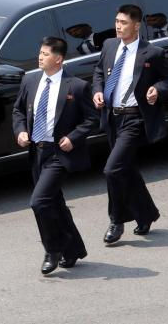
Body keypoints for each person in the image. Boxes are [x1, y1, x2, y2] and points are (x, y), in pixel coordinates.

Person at [12, 37, 97, 275]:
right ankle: (74, 249)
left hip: (59, 154)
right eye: (40, 52)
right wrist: (20, 132)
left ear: (58, 59)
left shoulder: (76, 86)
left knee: (39, 202)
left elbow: (91, 119)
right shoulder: (30, 80)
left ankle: (52, 250)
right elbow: (18, 110)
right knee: (54, 202)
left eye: (46, 54)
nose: (40, 57)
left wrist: (73, 137)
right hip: (37, 151)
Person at [93, 5, 168, 244]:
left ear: (136, 26)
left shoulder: (152, 53)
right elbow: (99, 72)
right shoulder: (109, 46)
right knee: (125, 168)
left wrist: (157, 90)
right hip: (112, 117)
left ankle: (117, 221)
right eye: (117, 21)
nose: (118, 26)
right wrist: (98, 91)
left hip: (134, 119)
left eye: (124, 22)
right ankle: (146, 213)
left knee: (112, 169)